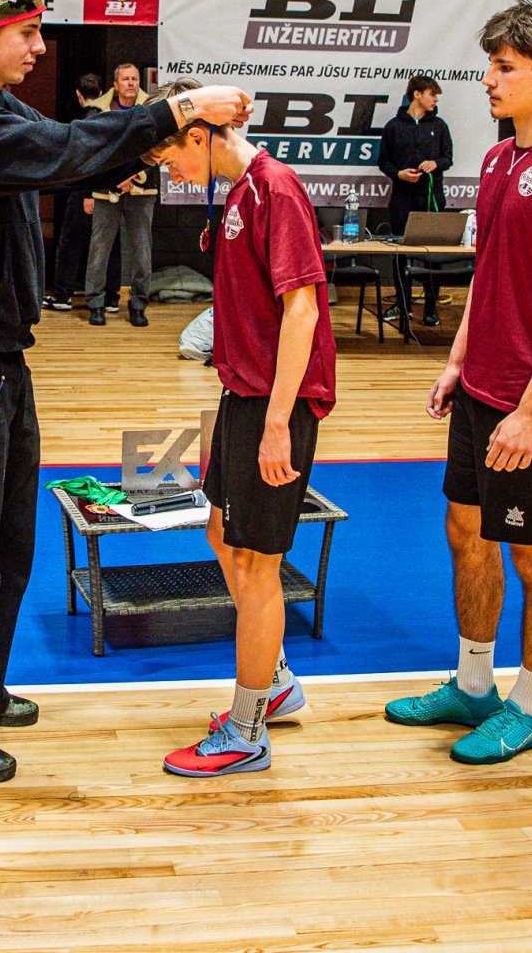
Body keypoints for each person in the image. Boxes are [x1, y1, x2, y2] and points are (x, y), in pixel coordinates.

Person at [0, 0, 250, 784]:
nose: (39, 47)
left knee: (6, 542)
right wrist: (178, 109)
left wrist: (156, 143)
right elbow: (59, 148)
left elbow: (69, 158)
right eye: (26, 32)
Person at [383, 0, 532, 766]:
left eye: (505, 67)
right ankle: (475, 684)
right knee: (466, 533)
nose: (488, 79)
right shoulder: (496, 160)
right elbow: (489, 275)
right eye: (490, 64)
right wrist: (457, 361)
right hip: (481, 388)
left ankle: (531, 705)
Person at [144, 78, 335, 776]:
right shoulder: (238, 192)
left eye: (172, 159)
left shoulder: (275, 188)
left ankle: (247, 731)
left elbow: (303, 310)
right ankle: (274, 681)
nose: (172, 173)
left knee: (257, 565)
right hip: (242, 397)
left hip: (276, 404)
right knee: (222, 537)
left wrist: (278, 422)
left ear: (199, 135)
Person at [376, 73, 455, 326]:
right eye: (432, 94)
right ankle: (403, 305)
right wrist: (399, 174)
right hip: (402, 199)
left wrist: (436, 163)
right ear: (417, 94)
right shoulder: (393, 126)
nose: (436, 99)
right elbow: (383, 162)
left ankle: (431, 307)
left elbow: (448, 158)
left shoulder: (439, 125)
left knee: (433, 254)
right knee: (400, 253)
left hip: (432, 198)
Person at [84, 63, 158, 327]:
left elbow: (159, 148)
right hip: (106, 191)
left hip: (142, 191)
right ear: (115, 85)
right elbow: (92, 150)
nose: (131, 83)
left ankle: (138, 305)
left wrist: (133, 175)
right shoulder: (98, 112)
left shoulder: (152, 109)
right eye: (125, 79)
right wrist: (113, 178)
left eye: (135, 79)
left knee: (141, 252)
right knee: (99, 251)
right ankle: (96, 304)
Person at [42, 73, 106, 313]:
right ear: (101, 93)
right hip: (102, 191)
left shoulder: (81, 123)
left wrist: (88, 193)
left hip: (83, 191)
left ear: (78, 95)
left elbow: (88, 161)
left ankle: (62, 295)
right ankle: (106, 299)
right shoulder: (106, 119)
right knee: (103, 245)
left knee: (70, 243)